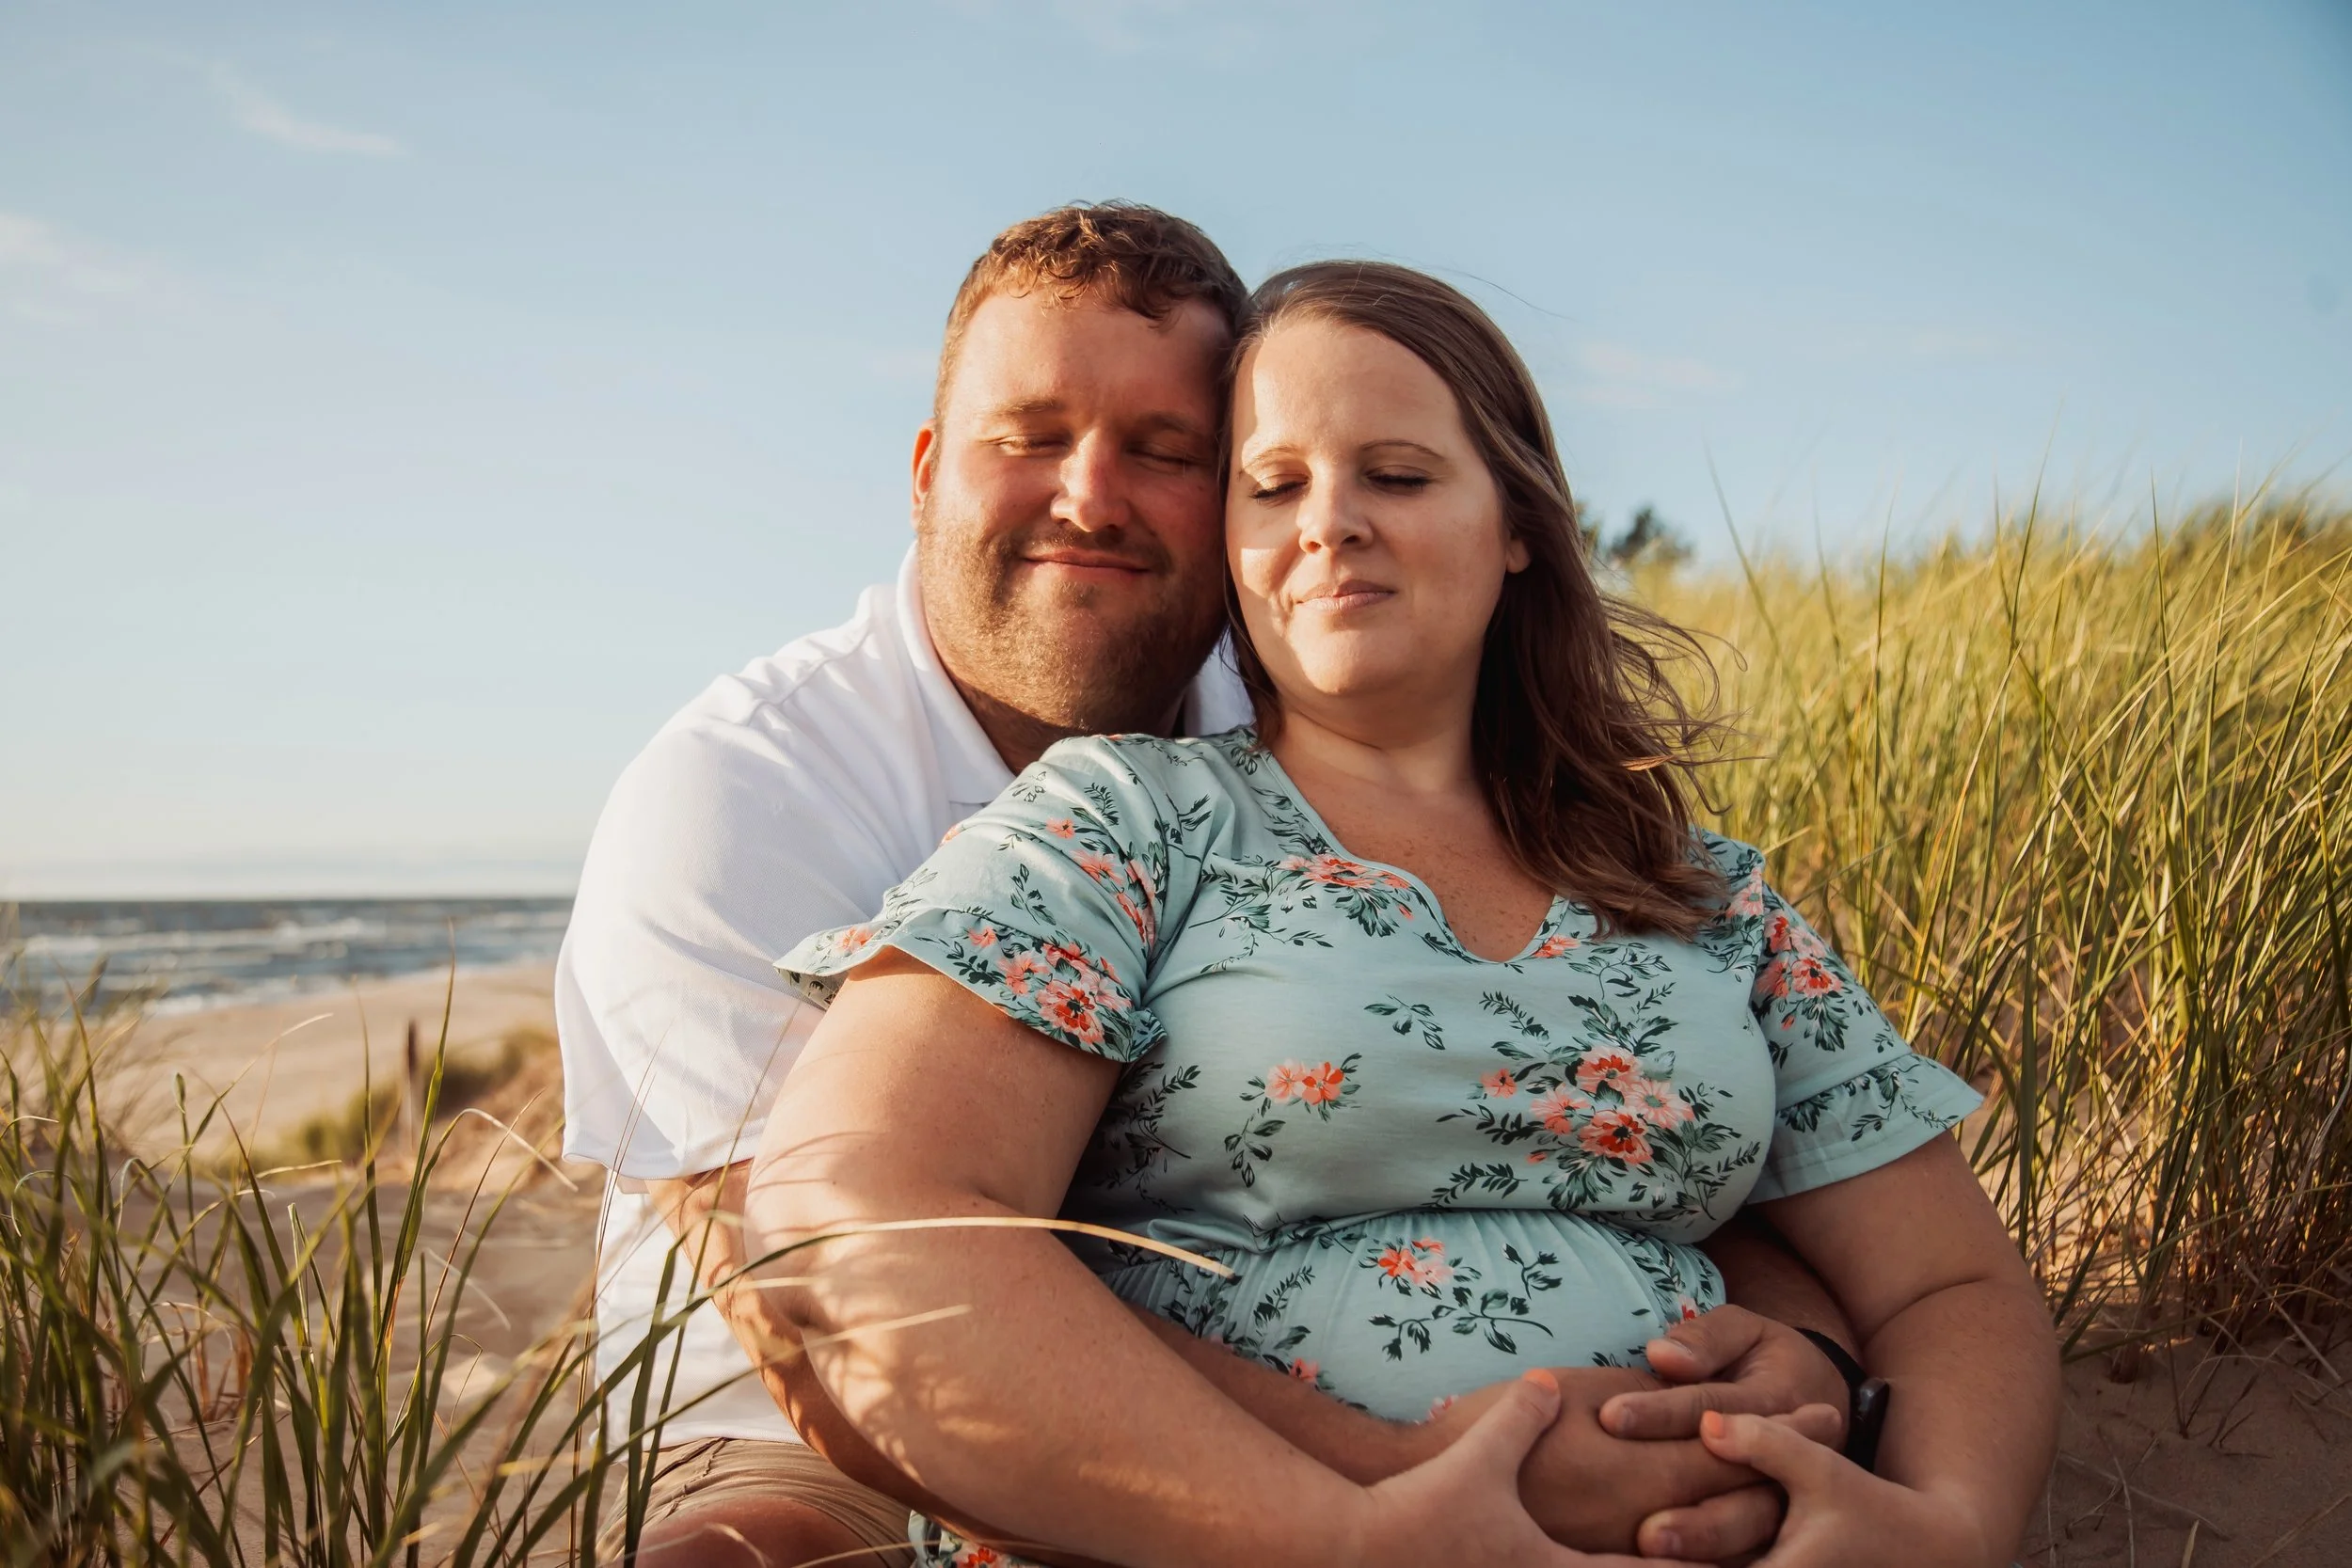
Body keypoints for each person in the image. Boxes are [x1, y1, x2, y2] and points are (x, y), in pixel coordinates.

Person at [559, 204, 1867, 1568]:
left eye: (1167, 450)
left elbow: (1612, 1098)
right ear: (928, 471)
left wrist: (1803, 1353)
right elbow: (818, 1299)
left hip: (1207, 1348)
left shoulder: (1306, 706)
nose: (1090, 494)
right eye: (1031, 436)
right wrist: (1418, 1491)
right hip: (813, 1411)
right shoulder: (742, 789)